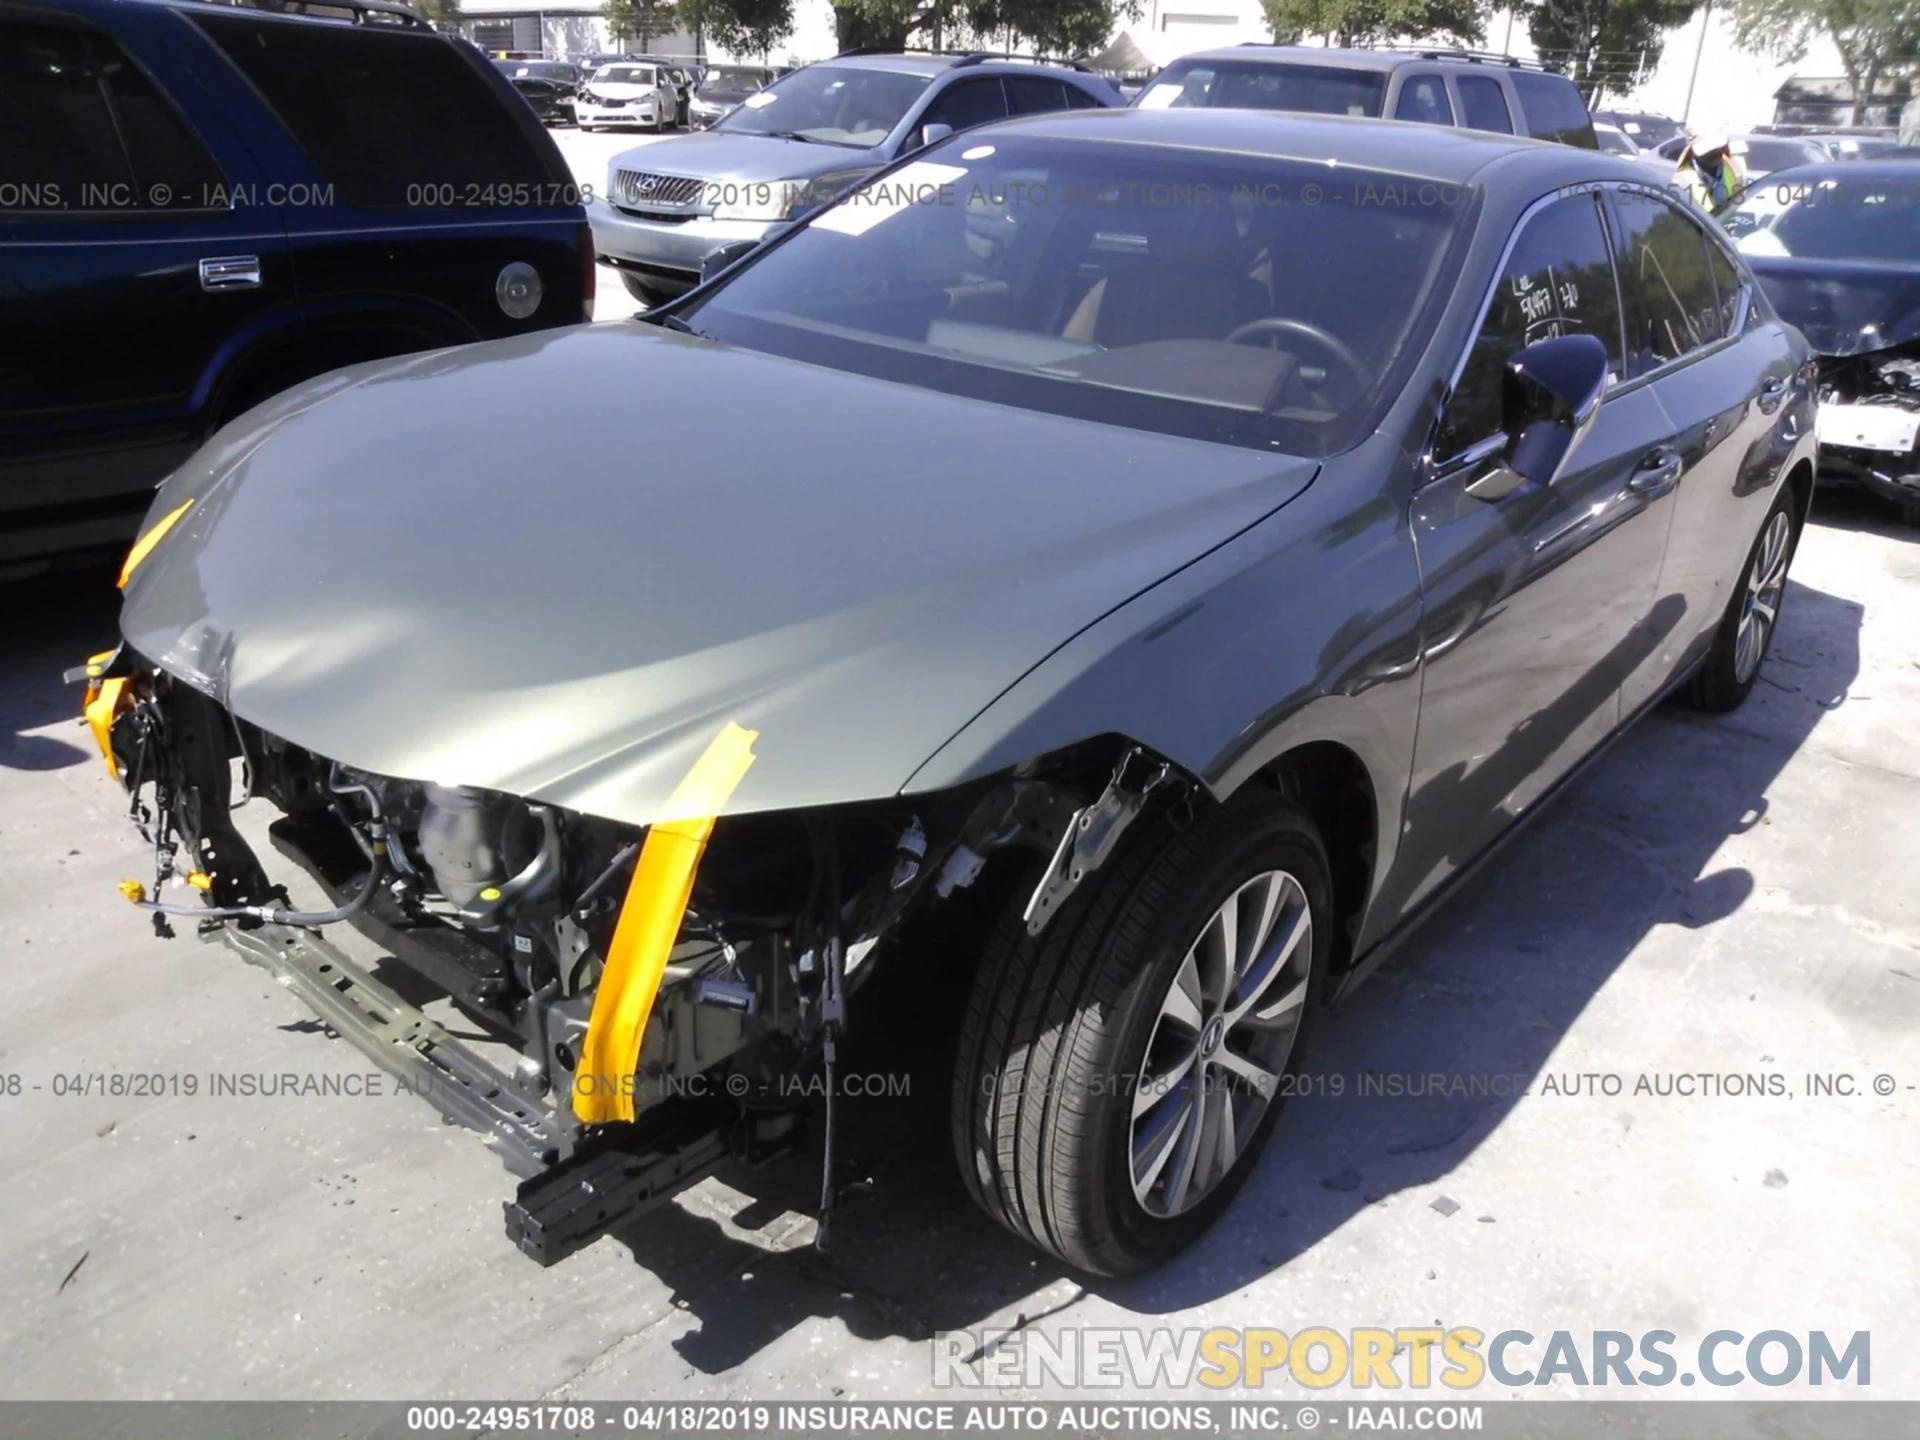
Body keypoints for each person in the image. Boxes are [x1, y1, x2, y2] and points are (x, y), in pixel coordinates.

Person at [1671, 130, 1748, 214]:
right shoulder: (1682, 180)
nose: (1718, 151)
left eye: (1721, 147)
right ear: (1694, 151)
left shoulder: (1734, 166)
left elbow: (1740, 201)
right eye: (1712, 150)